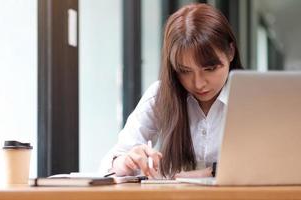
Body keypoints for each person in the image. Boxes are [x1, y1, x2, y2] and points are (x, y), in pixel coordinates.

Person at [99, 3, 243, 179]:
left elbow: (273, 163)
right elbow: (109, 165)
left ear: (230, 52)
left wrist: (208, 173)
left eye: (210, 68)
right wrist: (125, 162)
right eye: (185, 71)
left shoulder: (252, 98)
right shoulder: (161, 95)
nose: (198, 83)